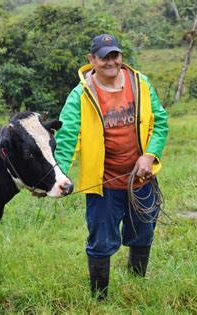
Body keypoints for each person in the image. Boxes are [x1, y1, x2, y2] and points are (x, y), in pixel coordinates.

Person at [54, 34, 169, 300]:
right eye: (103, 56)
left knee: (143, 233)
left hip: (141, 180)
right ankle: (100, 297)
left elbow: (160, 122)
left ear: (121, 57)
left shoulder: (140, 84)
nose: (110, 61)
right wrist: (58, 174)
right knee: (101, 242)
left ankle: (137, 285)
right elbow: (68, 137)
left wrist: (150, 155)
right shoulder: (81, 94)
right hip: (103, 185)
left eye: (114, 55)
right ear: (91, 60)